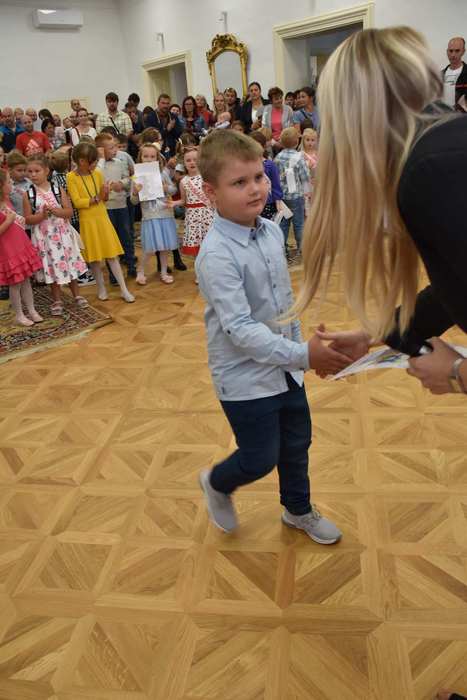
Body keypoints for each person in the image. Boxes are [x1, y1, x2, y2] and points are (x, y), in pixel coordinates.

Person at [295, 26, 467, 405]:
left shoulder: (433, 167)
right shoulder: (442, 144)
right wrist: (374, 335)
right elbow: (454, 287)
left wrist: (457, 372)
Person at [195, 129, 347, 538]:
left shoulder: (272, 231)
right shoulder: (216, 255)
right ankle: (217, 482)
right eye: (239, 182)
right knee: (260, 457)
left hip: (285, 367)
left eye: (259, 177)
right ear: (211, 192)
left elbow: (282, 303)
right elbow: (241, 330)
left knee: (297, 445)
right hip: (244, 377)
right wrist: (303, 355)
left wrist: (301, 354)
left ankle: (298, 510)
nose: (255, 189)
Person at [66, 142, 135, 303]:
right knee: (95, 259)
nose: (96, 164)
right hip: (87, 221)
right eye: (93, 162)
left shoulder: (97, 173)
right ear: (82, 161)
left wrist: (105, 193)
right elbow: (77, 202)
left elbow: (104, 199)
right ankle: (101, 288)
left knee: (112, 255)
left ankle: (124, 289)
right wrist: (97, 198)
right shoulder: (71, 177)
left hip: (102, 218)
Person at [23, 154, 88, 315]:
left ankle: (77, 295)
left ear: (46, 171)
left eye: (36, 171)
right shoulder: (28, 195)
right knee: (51, 267)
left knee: (69, 264)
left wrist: (57, 211)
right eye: (29, 171)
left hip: (62, 235)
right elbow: (28, 219)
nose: (33, 175)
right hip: (45, 239)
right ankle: (57, 299)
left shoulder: (57, 190)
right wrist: (41, 216)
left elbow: (69, 211)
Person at [131, 143, 179, 285]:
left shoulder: (163, 173)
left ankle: (163, 272)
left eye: (152, 156)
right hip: (150, 216)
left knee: (165, 247)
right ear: (140, 158)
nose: (149, 159)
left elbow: (174, 189)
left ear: (157, 158)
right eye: (146, 156)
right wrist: (135, 192)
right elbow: (133, 201)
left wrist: (166, 188)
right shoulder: (136, 177)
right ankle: (141, 271)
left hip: (165, 214)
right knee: (149, 248)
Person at [0, 170, 43, 325]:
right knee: (15, 284)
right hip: (8, 250)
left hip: (20, 244)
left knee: (26, 281)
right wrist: (8, 221)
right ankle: (19, 315)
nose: (12, 183)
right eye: (8, 181)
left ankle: (32, 310)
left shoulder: (7, 200)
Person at [95, 133, 137, 278]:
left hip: (121, 205)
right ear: (101, 150)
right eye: (111, 148)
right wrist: (101, 159)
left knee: (126, 236)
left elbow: (128, 179)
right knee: (110, 240)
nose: (116, 150)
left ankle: (131, 265)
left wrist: (122, 183)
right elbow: (97, 176)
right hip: (106, 208)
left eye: (116, 147)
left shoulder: (119, 162)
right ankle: (113, 274)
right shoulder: (97, 166)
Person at [274, 127, 309, 259]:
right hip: (296, 196)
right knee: (299, 224)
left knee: (284, 225)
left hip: (282, 197)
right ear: (296, 142)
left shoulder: (278, 157)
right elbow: (305, 176)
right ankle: (302, 250)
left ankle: (282, 251)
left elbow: (275, 175)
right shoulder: (299, 157)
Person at [179, 147, 214, 260]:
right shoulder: (183, 181)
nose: (192, 162)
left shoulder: (206, 177)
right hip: (192, 218)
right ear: (184, 163)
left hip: (208, 215)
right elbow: (183, 201)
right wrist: (173, 203)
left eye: (195, 159)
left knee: (211, 245)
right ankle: (199, 268)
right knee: (196, 248)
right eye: (188, 160)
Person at [249, 131, 283, 220]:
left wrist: (278, 202)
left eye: (257, 146)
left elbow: (276, 185)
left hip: (268, 203)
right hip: (251, 202)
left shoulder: (270, 165)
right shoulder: (246, 165)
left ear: (263, 147)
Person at [442, 36, 467, 109]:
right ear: (447, 52)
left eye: (457, 51)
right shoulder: (439, 75)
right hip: (442, 114)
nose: (453, 55)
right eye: (451, 51)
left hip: (462, 115)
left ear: (463, 51)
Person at [300, 127, 319, 215]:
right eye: (307, 140)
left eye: (312, 140)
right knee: (307, 204)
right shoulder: (301, 154)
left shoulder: (318, 153)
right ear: (303, 140)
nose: (310, 142)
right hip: (306, 184)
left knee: (317, 202)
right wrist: (307, 167)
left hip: (317, 182)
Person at [7, 151, 30, 218]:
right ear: (10, 170)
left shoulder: (29, 182)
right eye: (19, 170)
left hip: (32, 219)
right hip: (17, 219)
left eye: (24, 170)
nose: (23, 173)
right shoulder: (7, 186)